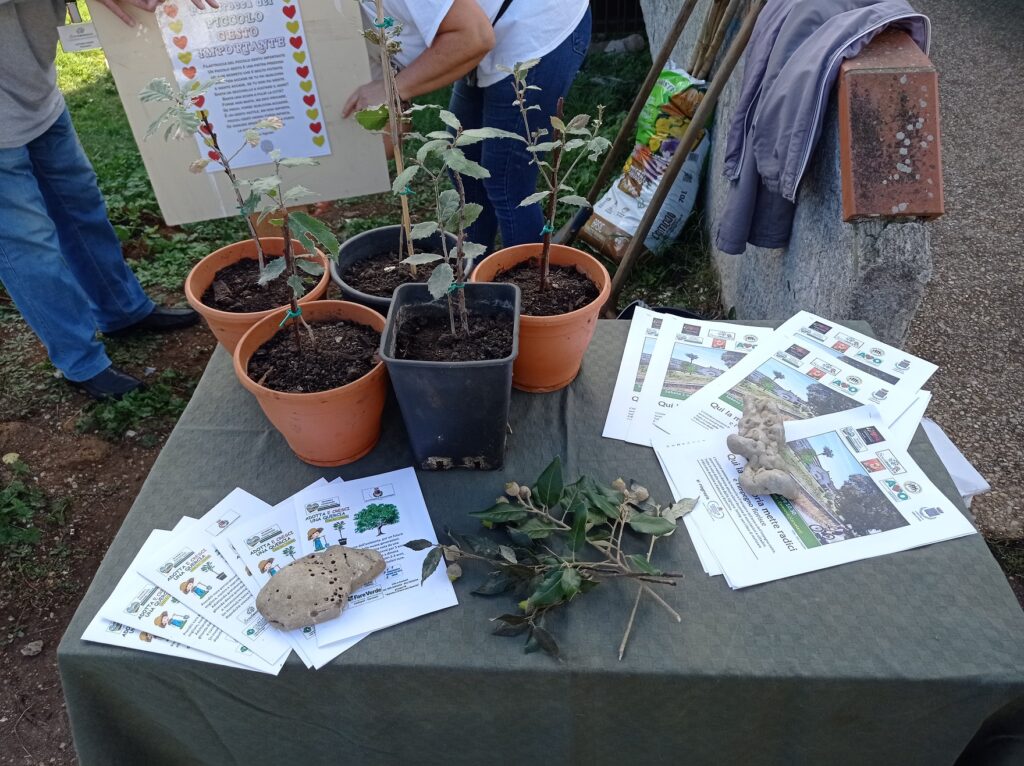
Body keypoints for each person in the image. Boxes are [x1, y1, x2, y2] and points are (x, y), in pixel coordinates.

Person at [0, 0, 218, 401]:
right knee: (29, 246)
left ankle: (122, 311)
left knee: (82, 208)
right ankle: (80, 362)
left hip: (36, 93)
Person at [343, 0, 592, 253]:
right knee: (463, 161)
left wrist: (395, 88)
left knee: (507, 182)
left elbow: (475, 38)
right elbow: (388, 133)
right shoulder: (340, 26)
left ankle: (527, 288)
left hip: (536, 21)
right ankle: (474, 271)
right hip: (479, 29)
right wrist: (329, 182)